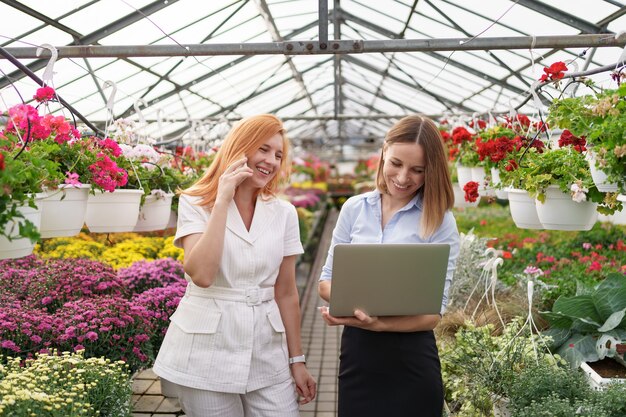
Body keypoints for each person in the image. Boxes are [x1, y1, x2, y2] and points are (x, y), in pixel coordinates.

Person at [154, 114, 316, 417]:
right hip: (207, 352)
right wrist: (222, 199)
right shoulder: (195, 203)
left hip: (267, 351)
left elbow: (286, 293)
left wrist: (298, 360)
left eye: (278, 155)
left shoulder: (284, 213)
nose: (271, 161)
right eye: (263, 149)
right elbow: (201, 274)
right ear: (240, 148)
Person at [318, 114, 460, 417]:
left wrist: (379, 323)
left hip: (412, 360)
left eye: (417, 170)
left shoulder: (439, 219)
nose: (403, 177)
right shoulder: (355, 209)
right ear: (383, 152)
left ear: (430, 171)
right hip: (359, 354)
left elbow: (433, 313)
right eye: (396, 163)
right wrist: (351, 305)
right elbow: (326, 281)